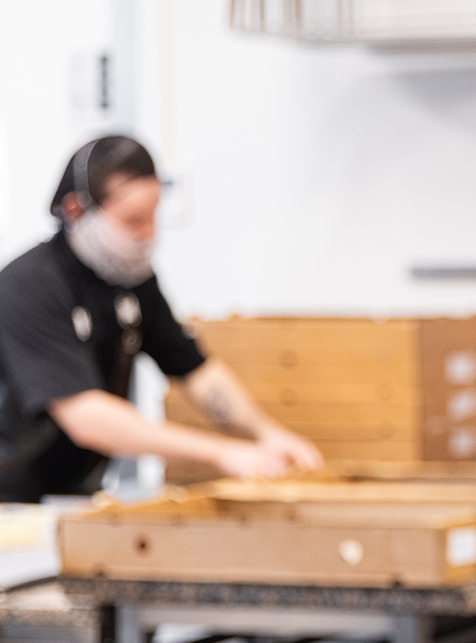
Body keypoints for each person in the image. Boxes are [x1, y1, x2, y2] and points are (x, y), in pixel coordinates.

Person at [0, 136, 323, 502]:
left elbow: (195, 369)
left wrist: (267, 433)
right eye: (133, 221)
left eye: (153, 218)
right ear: (76, 211)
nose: (148, 235)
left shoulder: (133, 280)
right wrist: (222, 452)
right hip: (9, 499)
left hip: (73, 493)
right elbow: (86, 417)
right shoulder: (27, 288)